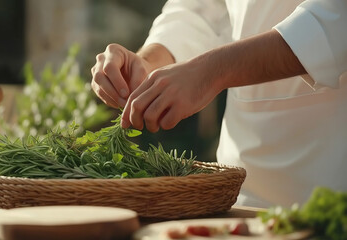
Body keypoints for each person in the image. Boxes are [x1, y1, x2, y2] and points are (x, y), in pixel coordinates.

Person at [91, 0, 347, 208]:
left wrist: (213, 71)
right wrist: (149, 62)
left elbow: (337, 19)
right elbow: (204, 9)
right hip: (240, 190)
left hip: (329, 183)